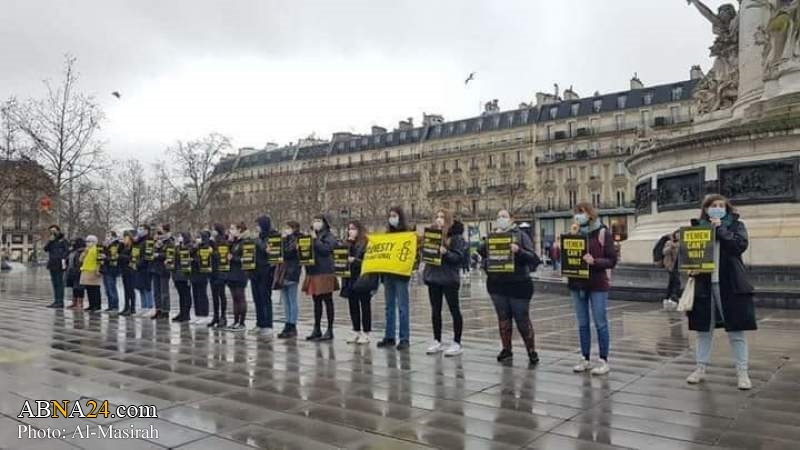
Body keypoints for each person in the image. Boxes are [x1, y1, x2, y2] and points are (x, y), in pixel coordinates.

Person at [685, 194, 756, 390]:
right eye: (712, 205)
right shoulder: (698, 227)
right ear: (706, 209)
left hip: (730, 284)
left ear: (726, 208)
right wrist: (691, 268)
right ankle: (700, 368)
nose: (717, 208)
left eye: (720, 205)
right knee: (703, 330)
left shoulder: (735, 225)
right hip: (705, 285)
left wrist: (720, 229)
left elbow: (738, 246)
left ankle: (742, 372)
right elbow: (690, 255)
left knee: (736, 330)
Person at [479, 209, 542, 365]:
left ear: (511, 219)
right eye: (498, 216)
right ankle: (506, 349)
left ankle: (531, 350)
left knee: (522, 318)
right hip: (497, 284)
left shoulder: (521, 235)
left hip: (518, 284)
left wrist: (518, 250)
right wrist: (488, 242)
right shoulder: (492, 235)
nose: (501, 218)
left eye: (504, 216)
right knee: (503, 318)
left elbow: (534, 259)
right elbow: (482, 254)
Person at [568, 202, 617, 376]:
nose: (578, 216)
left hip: (597, 284)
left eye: (581, 212)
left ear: (590, 214)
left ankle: (603, 360)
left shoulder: (602, 232)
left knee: (600, 322)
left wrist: (595, 261)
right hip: (577, 283)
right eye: (576, 213)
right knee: (582, 324)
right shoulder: (574, 233)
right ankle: (585, 357)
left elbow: (612, 260)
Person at [423, 209, 465, 357]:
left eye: (442, 217)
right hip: (433, 276)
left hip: (449, 278)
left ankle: (457, 342)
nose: (439, 219)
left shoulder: (456, 237)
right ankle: (437, 339)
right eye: (437, 216)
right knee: (435, 310)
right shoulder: (432, 235)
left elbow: (458, 258)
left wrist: (446, 253)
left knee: (454, 309)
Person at [377, 207, 412, 351]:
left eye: (394, 215)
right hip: (388, 274)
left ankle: (404, 338)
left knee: (403, 308)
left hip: (401, 275)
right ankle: (389, 336)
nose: (392, 218)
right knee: (389, 307)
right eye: (390, 215)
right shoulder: (387, 234)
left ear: (400, 217)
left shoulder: (407, 234)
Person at [303, 214, 337, 341]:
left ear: (324, 223)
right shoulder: (312, 235)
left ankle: (329, 329)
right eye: (314, 220)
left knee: (327, 300)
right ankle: (316, 328)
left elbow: (326, 249)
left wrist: (315, 240)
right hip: (313, 270)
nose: (316, 223)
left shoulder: (329, 236)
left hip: (325, 271)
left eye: (319, 221)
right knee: (316, 301)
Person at [341, 220, 372, 345]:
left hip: (362, 277)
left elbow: (368, 260)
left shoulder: (365, 242)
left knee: (364, 305)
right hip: (350, 277)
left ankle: (366, 332)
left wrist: (355, 260)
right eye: (349, 229)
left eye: (353, 228)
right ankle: (356, 330)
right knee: (353, 305)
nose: (350, 231)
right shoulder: (347, 243)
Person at [250, 215, 276, 335]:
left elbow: (266, 249)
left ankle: (268, 324)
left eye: (258, 225)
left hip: (266, 271)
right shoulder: (258, 237)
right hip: (255, 271)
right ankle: (260, 323)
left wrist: (257, 241)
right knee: (257, 298)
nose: (257, 228)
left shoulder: (271, 236)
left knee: (265, 298)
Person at [276, 221, 301, 339]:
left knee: (292, 299)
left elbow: (289, 252)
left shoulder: (297, 238)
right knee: (285, 300)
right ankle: (287, 323)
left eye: (288, 228)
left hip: (292, 271)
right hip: (283, 272)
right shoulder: (285, 239)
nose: (285, 230)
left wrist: (285, 240)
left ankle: (292, 324)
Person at [226, 223, 250, 331]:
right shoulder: (234, 242)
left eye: (233, 229)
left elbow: (244, 258)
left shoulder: (244, 242)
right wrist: (230, 241)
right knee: (234, 298)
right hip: (231, 273)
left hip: (240, 273)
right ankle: (235, 321)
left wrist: (233, 258)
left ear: (239, 230)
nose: (230, 231)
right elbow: (227, 253)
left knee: (240, 297)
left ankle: (242, 322)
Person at [151, 225, 174, 320]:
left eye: (160, 232)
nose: (158, 234)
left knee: (164, 292)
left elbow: (169, 254)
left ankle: (165, 311)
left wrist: (158, 255)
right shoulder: (157, 242)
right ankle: (158, 309)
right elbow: (151, 251)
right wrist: (154, 243)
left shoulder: (169, 241)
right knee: (156, 291)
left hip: (164, 269)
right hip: (155, 268)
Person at [209, 224, 229, 328]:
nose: (212, 232)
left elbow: (222, 255)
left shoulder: (223, 241)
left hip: (220, 271)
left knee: (221, 294)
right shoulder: (212, 241)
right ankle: (215, 316)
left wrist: (212, 252)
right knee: (214, 295)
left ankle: (223, 316)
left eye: (214, 230)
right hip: (213, 271)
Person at [44, 225, 69, 308]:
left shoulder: (63, 240)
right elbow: (46, 249)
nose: (53, 233)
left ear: (58, 231)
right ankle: (56, 300)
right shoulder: (52, 240)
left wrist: (62, 258)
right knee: (54, 283)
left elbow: (67, 251)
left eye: (54, 231)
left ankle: (60, 301)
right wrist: (50, 241)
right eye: (51, 231)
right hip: (52, 264)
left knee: (59, 283)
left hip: (59, 264)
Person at [191, 231, 213, 325]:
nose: (198, 239)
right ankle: (198, 314)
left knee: (202, 294)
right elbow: (190, 252)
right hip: (194, 273)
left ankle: (204, 314)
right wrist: (195, 246)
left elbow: (204, 258)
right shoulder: (198, 246)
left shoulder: (207, 246)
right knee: (195, 294)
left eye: (200, 237)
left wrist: (194, 260)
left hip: (202, 273)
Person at [133, 224, 155, 317]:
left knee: (147, 287)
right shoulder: (139, 241)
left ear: (147, 230)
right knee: (140, 287)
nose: (140, 231)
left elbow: (147, 255)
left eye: (142, 229)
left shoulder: (149, 240)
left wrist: (138, 263)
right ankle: (143, 307)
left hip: (146, 267)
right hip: (138, 267)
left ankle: (149, 307)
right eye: (139, 229)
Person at [171, 232, 193, 323]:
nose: (180, 238)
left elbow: (186, 254)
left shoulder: (190, 246)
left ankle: (186, 314)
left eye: (181, 236)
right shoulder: (177, 247)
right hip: (177, 273)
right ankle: (181, 312)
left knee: (186, 294)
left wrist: (181, 247)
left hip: (185, 273)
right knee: (181, 295)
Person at [100, 231, 123, 313]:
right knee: (107, 289)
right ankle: (110, 305)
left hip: (112, 269)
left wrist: (105, 257)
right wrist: (104, 248)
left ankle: (115, 306)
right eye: (106, 236)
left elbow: (113, 257)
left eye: (109, 236)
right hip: (105, 268)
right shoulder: (106, 245)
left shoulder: (116, 244)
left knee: (111, 287)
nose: (107, 237)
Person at [80, 235, 103, 313]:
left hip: (93, 271)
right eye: (87, 241)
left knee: (95, 289)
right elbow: (81, 259)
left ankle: (97, 305)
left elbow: (99, 260)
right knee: (89, 289)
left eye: (90, 241)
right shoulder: (87, 250)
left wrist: (98, 269)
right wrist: (84, 253)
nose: (88, 243)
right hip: (86, 271)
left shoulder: (97, 249)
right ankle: (91, 305)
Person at [65, 238, 86, 310]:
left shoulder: (81, 251)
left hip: (79, 271)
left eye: (75, 242)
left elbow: (80, 262)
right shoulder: (72, 251)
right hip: (71, 271)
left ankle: (80, 303)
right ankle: (74, 302)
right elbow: (68, 260)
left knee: (80, 288)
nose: (73, 244)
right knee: (74, 287)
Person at [662, 230, 681, 310]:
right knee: (676, 282)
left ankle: (668, 298)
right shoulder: (669, 243)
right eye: (677, 234)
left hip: (678, 266)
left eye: (679, 235)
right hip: (671, 266)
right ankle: (673, 298)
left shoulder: (682, 243)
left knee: (672, 282)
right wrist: (671, 247)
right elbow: (664, 252)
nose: (678, 236)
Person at [119, 231, 136, 316]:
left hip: (131, 269)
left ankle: (132, 308)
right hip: (124, 269)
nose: (124, 239)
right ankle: (126, 306)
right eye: (123, 237)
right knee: (126, 289)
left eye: (125, 237)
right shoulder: (123, 247)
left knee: (130, 289)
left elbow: (132, 257)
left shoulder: (133, 246)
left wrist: (121, 256)